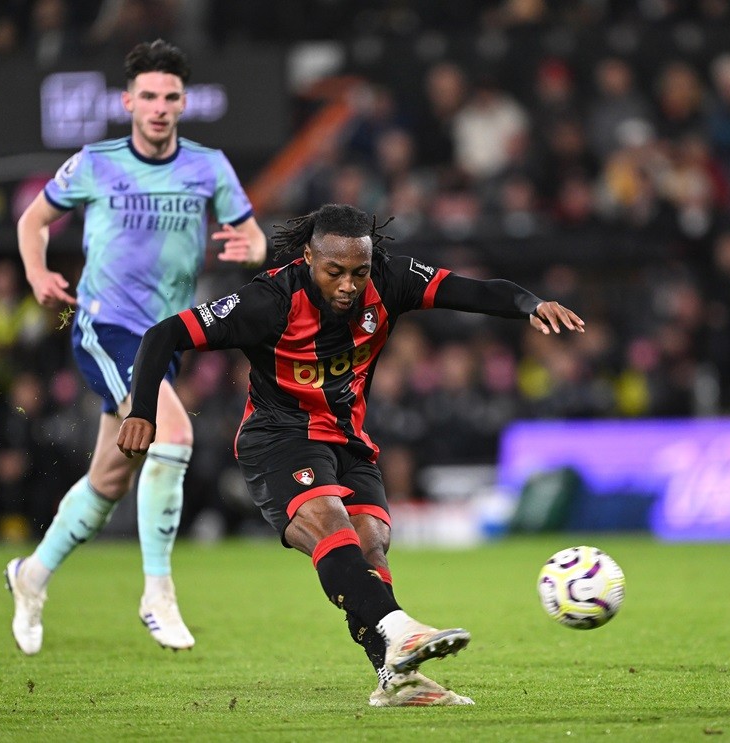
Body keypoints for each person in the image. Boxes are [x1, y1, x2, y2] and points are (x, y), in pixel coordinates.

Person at [117, 203, 585, 706]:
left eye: (358, 272)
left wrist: (530, 304)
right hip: (279, 439)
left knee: (371, 546)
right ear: (308, 258)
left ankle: (396, 681)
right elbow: (162, 335)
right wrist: (142, 410)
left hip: (347, 440)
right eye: (333, 271)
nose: (347, 285)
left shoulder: (392, 279)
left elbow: (473, 291)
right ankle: (400, 629)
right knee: (332, 528)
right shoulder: (267, 301)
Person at [4, 39, 267, 655]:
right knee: (172, 435)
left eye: (170, 96)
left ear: (183, 103)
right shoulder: (95, 162)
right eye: (147, 95)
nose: (158, 107)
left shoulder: (208, 166)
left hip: (165, 337)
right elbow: (31, 222)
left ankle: (31, 575)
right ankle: (158, 592)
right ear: (128, 101)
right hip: (107, 326)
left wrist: (248, 250)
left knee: (111, 479)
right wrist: (38, 276)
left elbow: (253, 237)